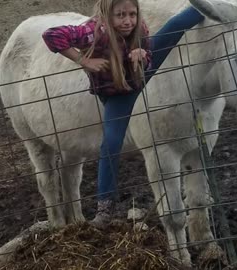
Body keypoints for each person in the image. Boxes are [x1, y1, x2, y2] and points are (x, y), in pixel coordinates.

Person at [42, 0, 204, 227]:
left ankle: (212, 3)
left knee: (177, 25)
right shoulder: (91, 32)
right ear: (107, 15)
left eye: (132, 14)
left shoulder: (140, 28)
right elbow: (51, 35)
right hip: (119, 94)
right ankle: (104, 207)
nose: (127, 21)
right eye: (120, 15)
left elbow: (148, 51)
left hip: (141, 74)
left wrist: (143, 53)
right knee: (111, 143)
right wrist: (83, 60)